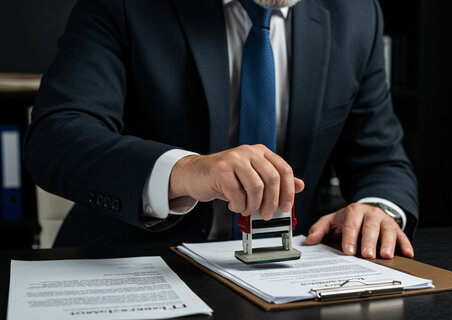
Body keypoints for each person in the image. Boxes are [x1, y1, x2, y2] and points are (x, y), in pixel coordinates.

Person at [24, 0, 418, 259]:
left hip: (291, 276)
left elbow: (380, 158)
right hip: (132, 265)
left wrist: (376, 209)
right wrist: (183, 172)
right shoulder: (125, 5)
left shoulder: (356, 13)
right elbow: (57, 136)